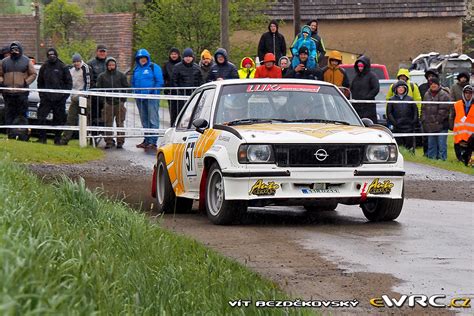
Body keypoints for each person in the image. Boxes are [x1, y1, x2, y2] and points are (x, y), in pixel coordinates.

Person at [0, 42, 36, 138]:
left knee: (22, 115)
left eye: (16, 49)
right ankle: (9, 134)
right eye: (12, 50)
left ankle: (23, 135)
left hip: (22, 94)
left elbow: (33, 74)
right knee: (9, 115)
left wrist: (26, 82)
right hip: (8, 94)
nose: (14, 51)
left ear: (20, 50)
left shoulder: (27, 61)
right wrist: (2, 82)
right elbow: (0, 74)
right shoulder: (4, 62)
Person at [36, 48, 72, 144]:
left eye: (53, 55)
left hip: (59, 99)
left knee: (59, 120)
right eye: (49, 55)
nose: (52, 57)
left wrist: (64, 97)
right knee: (41, 118)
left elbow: (69, 83)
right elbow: (40, 82)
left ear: (56, 55)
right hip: (46, 99)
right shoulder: (44, 67)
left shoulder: (63, 66)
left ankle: (57, 139)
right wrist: (42, 95)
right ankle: (42, 138)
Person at [131, 48, 164, 151]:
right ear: (138, 59)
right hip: (140, 99)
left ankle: (153, 142)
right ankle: (147, 139)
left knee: (153, 119)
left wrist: (153, 93)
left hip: (151, 98)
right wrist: (135, 93)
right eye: (140, 58)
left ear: (147, 58)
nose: (142, 60)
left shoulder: (154, 67)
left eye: (144, 58)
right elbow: (133, 82)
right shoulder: (136, 69)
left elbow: (159, 82)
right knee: (144, 120)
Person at [96, 57, 129, 149]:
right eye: (109, 65)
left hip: (119, 103)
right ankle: (109, 141)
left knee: (120, 123)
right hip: (108, 103)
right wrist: (104, 101)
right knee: (108, 123)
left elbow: (126, 88)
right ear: (107, 66)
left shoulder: (121, 75)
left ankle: (120, 141)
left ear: (115, 65)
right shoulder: (101, 76)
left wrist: (123, 100)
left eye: (113, 65)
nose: (111, 66)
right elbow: (98, 89)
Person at [60, 53, 92, 145]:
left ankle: (86, 139)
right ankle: (65, 139)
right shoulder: (71, 70)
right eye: (74, 62)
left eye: (78, 61)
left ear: (81, 61)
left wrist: (85, 95)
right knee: (70, 118)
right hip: (74, 98)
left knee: (85, 119)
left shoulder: (86, 68)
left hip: (84, 98)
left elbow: (89, 83)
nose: (76, 63)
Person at [171, 48, 203, 126]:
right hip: (180, 98)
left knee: (193, 115)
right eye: (186, 56)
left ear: (192, 57)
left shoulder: (197, 68)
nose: (188, 58)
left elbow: (201, 82)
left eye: (189, 56)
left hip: (194, 96)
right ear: (183, 57)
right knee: (179, 116)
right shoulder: (177, 67)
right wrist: (179, 94)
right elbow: (174, 81)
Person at [421, 77, 451, 160]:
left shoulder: (444, 95)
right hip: (430, 125)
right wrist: (423, 119)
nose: (433, 85)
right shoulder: (426, 94)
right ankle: (432, 161)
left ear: (438, 84)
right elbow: (423, 109)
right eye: (431, 84)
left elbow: (445, 110)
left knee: (442, 145)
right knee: (431, 145)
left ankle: (442, 160)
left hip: (441, 125)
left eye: (435, 84)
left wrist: (437, 121)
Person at [386, 80, 418, 151]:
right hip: (397, 127)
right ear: (396, 89)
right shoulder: (391, 100)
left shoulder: (410, 99)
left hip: (409, 126)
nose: (401, 89)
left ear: (405, 89)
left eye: (402, 87)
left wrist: (414, 121)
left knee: (409, 146)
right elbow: (389, 113)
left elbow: (415, 111)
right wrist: (394, 122)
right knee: (399, 146)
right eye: (399, 87)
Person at [350, 55, 380, 123]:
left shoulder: (372, 76)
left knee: (369, 123)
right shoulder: (356, 77)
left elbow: (376, 88)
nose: (360, 68)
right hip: (357, 105)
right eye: (359, 66)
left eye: (362, 66)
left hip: (368, 106)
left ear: (366, 66)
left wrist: (366, 98)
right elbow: (352, 88)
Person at [450, 85, 473, 165]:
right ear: (463, 93)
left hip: (471, 138)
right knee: (460, 159)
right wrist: (451, 126)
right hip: (459, 137)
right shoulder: (457, 105)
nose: (468, 94)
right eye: (466, 92)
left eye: (470, 93)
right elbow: (452, 116)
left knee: (469, 160)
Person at [87, 44, 107, 127]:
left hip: (107, 95)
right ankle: (93, 135)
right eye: (100, 51)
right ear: (97, 52)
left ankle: (106, 137)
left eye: (104, 51)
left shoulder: (110, 62)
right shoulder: (91, 63)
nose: (102, 53)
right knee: (94, 116)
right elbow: (89, 79)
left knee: (107, 116)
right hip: (95, 95)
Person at [162, 47, 181, 127]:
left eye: (175, 54)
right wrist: (166, 88)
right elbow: (164, 76)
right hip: (170, 91)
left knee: (181, 111)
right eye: (172, 54)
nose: (174, 56)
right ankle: (172, 126)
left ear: (178, 55)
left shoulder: (181, 64)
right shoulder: (166, 65)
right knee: (172, 111)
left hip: (181, 91)